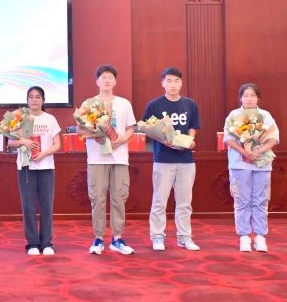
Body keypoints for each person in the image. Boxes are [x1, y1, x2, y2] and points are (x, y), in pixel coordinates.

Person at [143, 67, 201, 252]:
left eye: (176, 81)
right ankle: (157, 237)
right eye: (169, 81)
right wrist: (163, 140)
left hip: (186, 160)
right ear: (162, 83)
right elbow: (147, 129)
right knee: (159, 201)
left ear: (181, 83)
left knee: (185, 202)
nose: (173, 85)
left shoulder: (190, 104)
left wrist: (189, 140)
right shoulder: (154, 105)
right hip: (163, 159)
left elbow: (193, 126)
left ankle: (185, 237)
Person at [83, 65, 137, 256]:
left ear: (115, 81)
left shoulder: (124, 103)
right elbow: (81, 129)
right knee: (97, 199)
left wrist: (123, 139)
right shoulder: (89, 103)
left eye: (110, 77)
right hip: (97, 158)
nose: (107, 80)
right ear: (97, 81)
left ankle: (117, 238)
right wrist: (94, 135)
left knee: (119, 198)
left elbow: (131, 128)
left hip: (119, 157)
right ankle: (98, 238)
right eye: (103, 77)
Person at [223, 83, 279, 253]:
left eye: (252, 95)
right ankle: (244, 236)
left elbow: (273, 138)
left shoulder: (265, 115)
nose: (249, 98)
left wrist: (258, 151)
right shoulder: (234, 115)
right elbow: (228, 139)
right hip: (239, 164)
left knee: (260, 200)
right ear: (240, 98)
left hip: (261, 164)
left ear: (258, 98)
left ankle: (260, 236)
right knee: (242, 200)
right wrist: (244, 151)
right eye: (246, 95)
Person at [9, 86, 62, 256]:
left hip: (46, 167)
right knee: (29, 206)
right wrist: (23, 141)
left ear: (43, 100)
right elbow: (10, 143)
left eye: (38, 97)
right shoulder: (19, 118)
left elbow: (57, 144)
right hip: (26, 168)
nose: (34, 100)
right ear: (27, 100)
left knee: (46, 206)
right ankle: (32, 243)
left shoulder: (50, 119)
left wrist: (43, 153)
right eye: (31, 97)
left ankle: (46, 243)